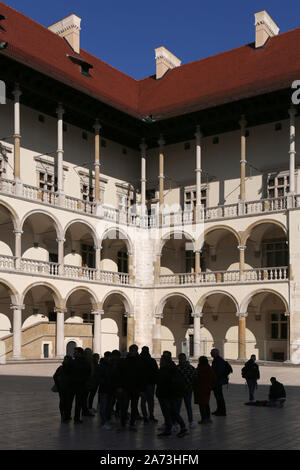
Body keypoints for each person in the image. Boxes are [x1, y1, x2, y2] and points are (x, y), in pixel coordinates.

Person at [156, 354, 188, 438]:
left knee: (173, 412)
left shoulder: (167, 370)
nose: (160, 361)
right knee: (169, 413)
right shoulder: (172, 368)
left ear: (165, 361)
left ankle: (183, 427)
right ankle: (168, 429)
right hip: (168, 394)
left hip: (168, 394)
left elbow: (164, 382)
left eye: (162, 360)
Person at [118, 344, 144, 431]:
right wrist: (120, 386)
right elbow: (120, 374)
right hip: (126, 387)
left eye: (134, 350)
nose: (133, 352)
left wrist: (141, 389)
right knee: (124, 406)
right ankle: (123, 424)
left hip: (136, 388)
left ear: (136, 351)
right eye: (132, 350)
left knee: (134, 407)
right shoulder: (124, 361)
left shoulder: (140, 361)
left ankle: (132, 424)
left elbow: (142, 376)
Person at [69, 347, 92, 423]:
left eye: (75, 352)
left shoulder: (82, 362)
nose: (73, 354)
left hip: (79, 385)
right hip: (76, 385)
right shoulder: (75, 362)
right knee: (75, 402)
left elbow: (87, 373)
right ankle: (73, 417)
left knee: (78, 402)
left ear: (80, 353)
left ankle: (75, 417)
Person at [193, 356, 216, 424]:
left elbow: (195, 378)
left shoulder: (199, 369)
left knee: (201, 405)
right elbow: (214, 378)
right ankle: (208, 418)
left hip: (200, 389)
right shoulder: (209, 368)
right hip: (207, 389)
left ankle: (204, 419)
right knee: (206, 404)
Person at [177, 353, 196, 428]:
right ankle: (190, 422)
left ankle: (176, 423)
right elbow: (195, 378)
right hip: (188, 389)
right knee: (188, 406)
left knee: (178, 407)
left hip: (180, 390)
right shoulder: (191, 368)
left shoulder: (177, 368)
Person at [140, 346, 159, 423]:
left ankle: (145, 416)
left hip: (142, 384)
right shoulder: (152, 361)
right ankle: (151, 415)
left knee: (143, 400)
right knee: (150, 400)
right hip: (151, 383)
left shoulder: (139, 360)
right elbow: (156, 372)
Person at [96, 352, 114, 429]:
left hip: (111, 389)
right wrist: (105, 382)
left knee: (109, 406)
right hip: (104, 389)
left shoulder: (112, 366)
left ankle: (107, 420)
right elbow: (98, 378)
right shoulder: (101, 366)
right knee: (104, 406)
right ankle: (104, 421)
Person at [53, 355, 73, 423]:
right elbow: (55, 376)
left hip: (64, 387)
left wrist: (58, 384)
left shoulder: (61, 368)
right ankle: (65, 415)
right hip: (67, 387)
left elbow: (55, 376)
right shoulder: (69, 368)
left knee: (64, 402)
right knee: (67, 402)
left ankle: (65, 415)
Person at [210, 348, 228, 416]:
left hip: (218, 381)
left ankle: (222, 411)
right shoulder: (217, 359)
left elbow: (218, 371)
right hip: (217, 381)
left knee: (219, 397)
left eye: (212, 352)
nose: (210, 353)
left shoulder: (218, 360)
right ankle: (219, 410)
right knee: (218, 397)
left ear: (215, 353)